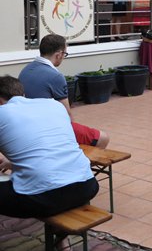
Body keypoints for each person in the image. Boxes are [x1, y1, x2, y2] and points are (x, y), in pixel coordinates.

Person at [0, 76, 99, 218]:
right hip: (87, 186)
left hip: (40, 199)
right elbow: (45, 150)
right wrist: (11, 163)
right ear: (23, 94)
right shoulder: (54, 105)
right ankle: (61, 239)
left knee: (39, 189)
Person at [18, 34, 109, 148]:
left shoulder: (25, 70)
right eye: (64, 54)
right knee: (103, 138)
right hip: (48, 128)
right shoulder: (55, 76)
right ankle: (80, 164)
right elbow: (67, 114)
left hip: (27, 125)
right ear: (59, 55)